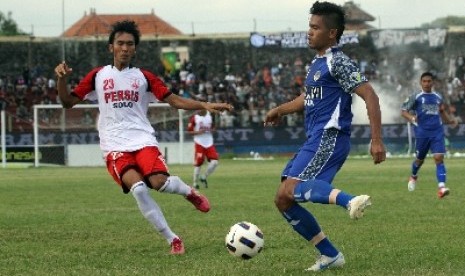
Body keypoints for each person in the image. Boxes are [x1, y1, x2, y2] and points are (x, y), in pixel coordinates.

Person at [54, 20, 233, 255]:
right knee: (138, 188)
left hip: (142, 140)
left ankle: (189, 192)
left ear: (135, 49)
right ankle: (173, 239)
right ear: (111, 47)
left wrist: (204, 104)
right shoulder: (98, 76)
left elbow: (174, 100)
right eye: (120, 43)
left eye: (130, 44)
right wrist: (61, 79)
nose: (125, 48)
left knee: (161, 183)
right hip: (114, 144)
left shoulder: (144, 77)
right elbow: (67, 102)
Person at [263, 1, 386, 272]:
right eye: (309, 26)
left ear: (332, 33)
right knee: (283, 198)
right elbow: (306, 98)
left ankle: (349, 200)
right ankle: (329, 254)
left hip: (329, 138)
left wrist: (376, 139)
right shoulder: (318, 63)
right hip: (314, 139)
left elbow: (370, 95)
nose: (309, 32)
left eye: (315, 27)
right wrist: (280, 110)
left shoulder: (338, 61)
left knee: (293, 189)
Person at [401, 71, 458, 198]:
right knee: (419, 160)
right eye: (424, 81)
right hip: (422, 133)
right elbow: (404, 111)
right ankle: (414, 176)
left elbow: (442, 112)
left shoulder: (438, 97)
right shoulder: (416, 96)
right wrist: (413, 118)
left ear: (433, 82)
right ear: (421, 82)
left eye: (429, 81)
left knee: (439, 158)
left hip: (437, 132)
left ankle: (442, 188)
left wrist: (450, 121)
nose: (427, 83)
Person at [187, 109, 219, 189]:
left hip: (209, 142)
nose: (198, 111)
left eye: (200, 109)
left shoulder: (211, 115)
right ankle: (195, 183)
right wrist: (198, 132)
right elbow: (189, 132)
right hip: (199, 143)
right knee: (199, 163)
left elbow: (214, 127)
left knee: (215, 162)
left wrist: (213, 130)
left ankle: (204, 176)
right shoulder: (194, 117)